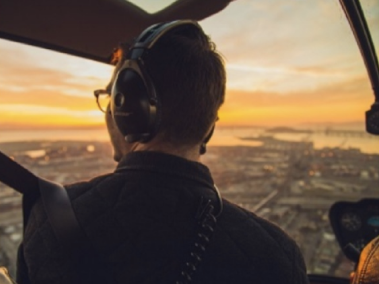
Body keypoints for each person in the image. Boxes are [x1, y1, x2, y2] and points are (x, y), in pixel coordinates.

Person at [20, 20, 309, 284]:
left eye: (111, 97)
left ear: (126, 108)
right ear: (209, 128)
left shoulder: (51, 220)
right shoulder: (278, 257)